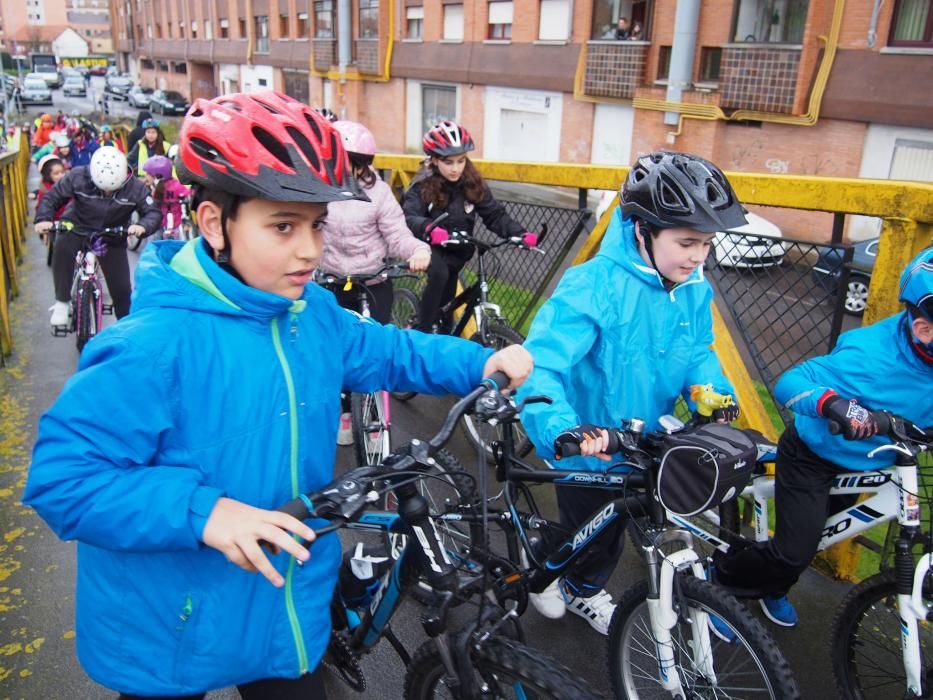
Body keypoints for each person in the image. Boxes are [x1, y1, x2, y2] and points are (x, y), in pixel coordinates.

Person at [23, 90, 533, 699]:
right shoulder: (150, 346)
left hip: (281, 607)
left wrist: (482, 360)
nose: (311, 249)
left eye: (317, 225)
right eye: (283, 226)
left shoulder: (308, 313)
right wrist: (202, 511)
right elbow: (63, 478)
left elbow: (391, 351)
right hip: (172, 626)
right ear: (215, 223)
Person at [515, 151, 746, 635]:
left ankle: (581, 587)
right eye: (687, 242)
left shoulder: (690, 286)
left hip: (647, 443)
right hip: (591, 446)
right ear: (642, 229)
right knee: (586, 526)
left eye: (706, 243)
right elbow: (542, 365)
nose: (698, 255)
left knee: (618, 528)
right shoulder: (593, 285)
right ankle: (547, 568)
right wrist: (562, 427)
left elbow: (698, 350)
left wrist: (713, 391)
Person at [713, 246, 933, 627]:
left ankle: (773, 587)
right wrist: (836, 405)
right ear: (923, 330)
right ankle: (722, 585)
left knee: (821, 535)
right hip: (813, 454)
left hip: (872, 457)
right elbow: (791, 382)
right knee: (794, 551)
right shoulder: (869, 355)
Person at [319, 119, 432, 445]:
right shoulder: (317, 187)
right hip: (333, 280)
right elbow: (308, 230)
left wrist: (417, 250)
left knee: (375, 348)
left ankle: (372, 416)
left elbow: (397, 235)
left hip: (374, 280)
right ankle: (344, 409)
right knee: (337, 350)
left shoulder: (379, 193)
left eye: (358, 165)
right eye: (344, 163)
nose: (351, 171)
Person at [401, 120, 536, 333]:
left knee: (446, 311)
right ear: (434, 160)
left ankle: (443, 334)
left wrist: (519, 233)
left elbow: (494, 215)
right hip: (429, 248)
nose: (456, 168)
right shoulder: (422, 183)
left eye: (461, 161)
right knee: (439, 275)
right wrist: (430, 228)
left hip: (458, 250)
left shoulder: (472, 182)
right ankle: (421, 334)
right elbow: (409, 217)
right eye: (448, 162)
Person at [35, 147, 160, 326]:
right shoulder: (78, 176)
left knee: (122, 290)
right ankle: (62, 301)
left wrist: (142, 226)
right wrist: (43, 219)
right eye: (103, 190)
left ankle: (125, 328)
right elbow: (52, 197)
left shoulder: (136, 188)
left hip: (112, 235)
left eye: (113, 191)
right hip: (78, 226)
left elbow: (152, 212)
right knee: (62, 245)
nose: (107, 194)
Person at [142, 154, 191, 239]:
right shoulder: (172, 185)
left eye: (148, 174)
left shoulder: (171, 187)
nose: (145, 177)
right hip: (168, 224)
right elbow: (188, 194)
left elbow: (188, 194)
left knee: (154, 244)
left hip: (168, 226)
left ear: (158, 175)